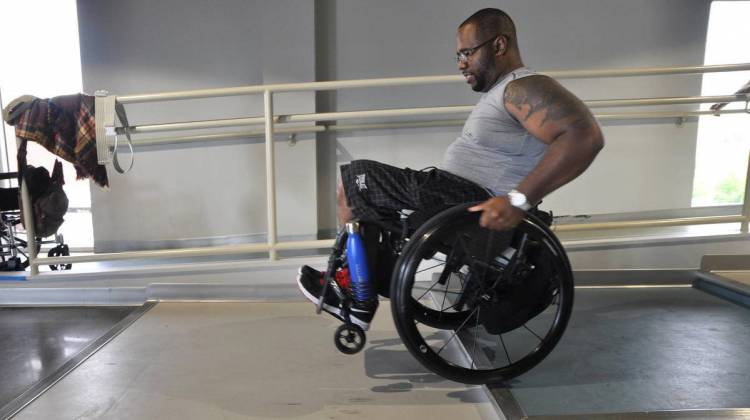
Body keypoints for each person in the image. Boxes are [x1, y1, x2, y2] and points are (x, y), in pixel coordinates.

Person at [298, 8, 605, 330]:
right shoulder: (504, 92)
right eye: (458, 55)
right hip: (450, 193)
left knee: (357, 179)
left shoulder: (524, 88)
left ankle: (356, 297)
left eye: (467, 53)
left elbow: (585, 137)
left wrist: (518, 200)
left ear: (499, 45)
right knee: (363, 197)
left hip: (466, 198)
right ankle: (359, 283)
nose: (461, 64)